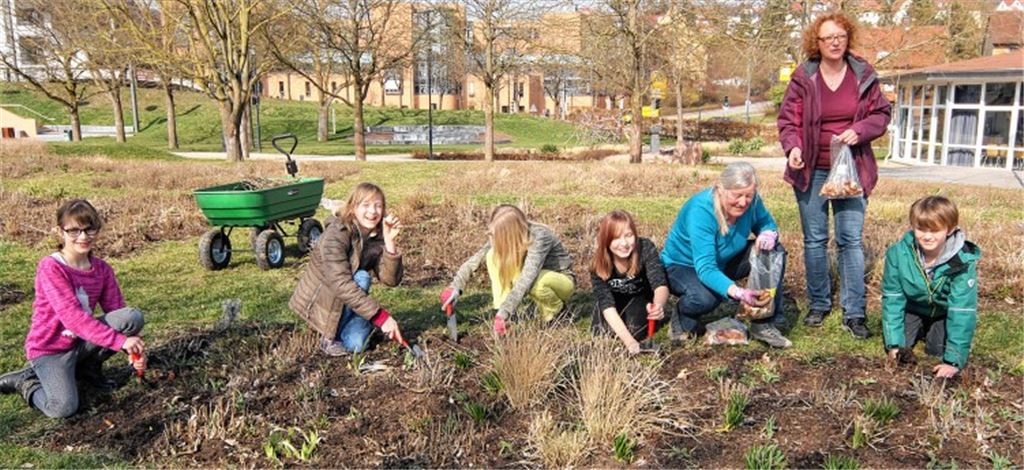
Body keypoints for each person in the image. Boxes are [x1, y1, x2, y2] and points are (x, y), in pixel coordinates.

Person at [777, 12, 891, 338]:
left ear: (847, 38)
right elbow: (788, 121)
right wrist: (793, 148)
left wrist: (860, 130)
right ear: (817, 42)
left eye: (840, 36)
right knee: (815, 240)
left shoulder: (863, 74)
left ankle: (854, 312)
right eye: (828, 37)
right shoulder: (804, 76)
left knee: (850, 240)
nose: (835, 42)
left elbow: (881, 114)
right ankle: (819, 303)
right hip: (811, 169)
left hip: (852, 169)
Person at [0, 199, 146, 418]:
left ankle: (87, 369)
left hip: (81, 344)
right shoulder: (51, 267)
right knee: (62, 408)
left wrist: (133, 348)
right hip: (50, 351)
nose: (83, 237)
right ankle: (25, 382)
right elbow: (73, 318)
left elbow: (116, 311)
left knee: (131, 318)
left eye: (89, 229)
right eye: (74, 231)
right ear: (61, 231)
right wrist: (120, 342)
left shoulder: (102, 270)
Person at [661, 163, 791, 348]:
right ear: (720, 189)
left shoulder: (752, 202)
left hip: (724, 260)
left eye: (748, 196)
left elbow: (766, 222)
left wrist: (768, 233)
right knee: (706, 298)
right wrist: (738, 292)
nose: (743, 202)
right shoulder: (701, 211)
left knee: (774, 251)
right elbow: (706, 268)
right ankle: (683, 316)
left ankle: (763, 322)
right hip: (683, 266)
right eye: (737, 195)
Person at [289, 183, 407, 356]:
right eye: (365, 205)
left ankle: (358, 322)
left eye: (378, 205)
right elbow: (340, 283)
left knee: (357, 344)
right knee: (361, 278)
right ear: (353, 208)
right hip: (322, 303)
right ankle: (327, 337)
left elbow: (391, 280)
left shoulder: (376, 235)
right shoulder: (336, 235)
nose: (373, 211)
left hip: (348, 302)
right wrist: (381, 317)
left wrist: (389, 242)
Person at [881, 196, 980, 378]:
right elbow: (893, 297)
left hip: (944, 311)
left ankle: (933, 330)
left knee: (935, 350)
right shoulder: (897, 253)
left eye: (934, 230)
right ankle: (917, 327)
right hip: (913, 307)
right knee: (903, 346)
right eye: (921, 229)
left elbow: (962, 310)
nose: (927, 236)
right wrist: (894, 345)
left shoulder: (963, 262)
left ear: (950, 229)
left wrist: (953, 361)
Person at [442, 205, 574, 335]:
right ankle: (502, 311)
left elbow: (528, 277)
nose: (492, 239)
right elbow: (475, 260)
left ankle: (557, 312)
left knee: (538, 284)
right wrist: (456, 286)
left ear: (508, 232)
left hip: (560, 281)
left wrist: (506, 310)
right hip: (534, 279)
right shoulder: (504, 236)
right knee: (492, 255)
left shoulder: (539, 237)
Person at [589, 210, 668, 354]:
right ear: (606, 240)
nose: (624, 243)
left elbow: (660, 284)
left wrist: (658, 306)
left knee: (636, 331)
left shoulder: (645, 248)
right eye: (616, 238)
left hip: (640, 298)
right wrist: (629, 342)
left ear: (635, 234)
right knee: (600, 331)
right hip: (614, 301)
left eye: (628, 235)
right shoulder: (597, 264)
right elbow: (606, 304)